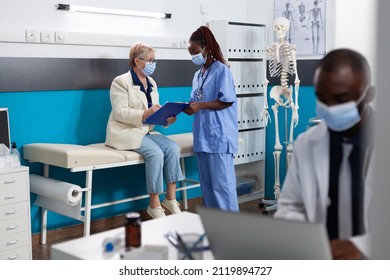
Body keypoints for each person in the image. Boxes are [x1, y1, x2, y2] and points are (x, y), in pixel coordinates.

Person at [274, 48, 375, 260]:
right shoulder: (307, 143)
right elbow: (291, 206)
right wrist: (309, 241)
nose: (329, 108)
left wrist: (361, 247)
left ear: (369, 94)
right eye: (322, 98)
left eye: (341, 99)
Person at [105, 42, 184, 219]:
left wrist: (166, 119)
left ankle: (170, 199)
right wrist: (146, 113)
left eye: (155, 60)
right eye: (150, 60)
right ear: (137, 61)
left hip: (146, 131)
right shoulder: (121, 82)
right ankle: (154, 204)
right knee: (156, 154)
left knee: (173, 148)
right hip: (126, 131)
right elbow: (120, 112)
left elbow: (154, 112)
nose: (153, 64)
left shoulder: (152, 83)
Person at [184, 26, 239, 212]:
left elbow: (227, 101)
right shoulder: (197, 75)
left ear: (206, 48)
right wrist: (186, 108)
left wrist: (199, 106)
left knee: (222, 187)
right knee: (207, 188)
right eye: (190, 53)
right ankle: (216, 228)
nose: (193, 56)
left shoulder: (221, 70)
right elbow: (196, 99)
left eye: (195, 52)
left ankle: (233, 231)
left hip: (219, 136)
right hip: (202, 136)